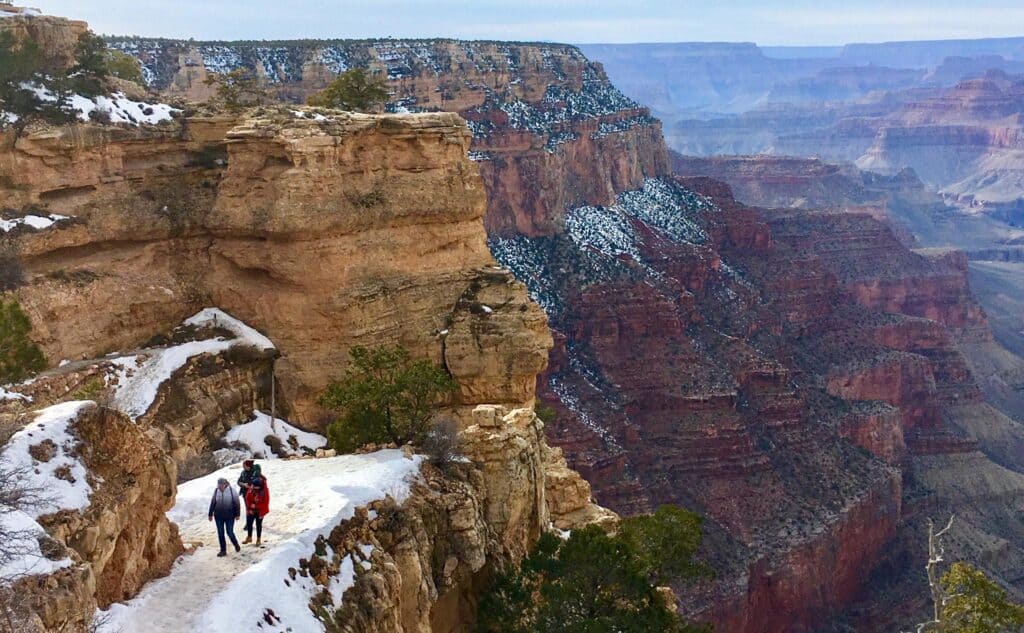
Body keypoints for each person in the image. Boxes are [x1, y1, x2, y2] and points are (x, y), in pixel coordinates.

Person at [207, 477, 241, 557]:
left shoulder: (232, 491)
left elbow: (237, 503)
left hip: (230, 516)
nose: (220, 486)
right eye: (218, 485)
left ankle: (236, 544)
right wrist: (210, 514)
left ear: (225, 484)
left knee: (229, 532)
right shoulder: (216, 491)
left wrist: (237, 514)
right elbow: (213, 502)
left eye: (221, 485)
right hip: (218, 516)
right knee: (220, 533)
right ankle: (223, 550)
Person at [243, 463, 270, 546]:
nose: (254, 489)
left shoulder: (264, 492)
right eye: (253, 487)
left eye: (256, 488)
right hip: (251, 509)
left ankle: (258, 539)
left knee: (258, 524)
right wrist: (250, 509)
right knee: (249, 523)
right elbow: (247, 499)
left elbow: (265, 504)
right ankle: (249, 537)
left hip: (260, 511)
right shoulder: (252, 488)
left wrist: (257, 507)